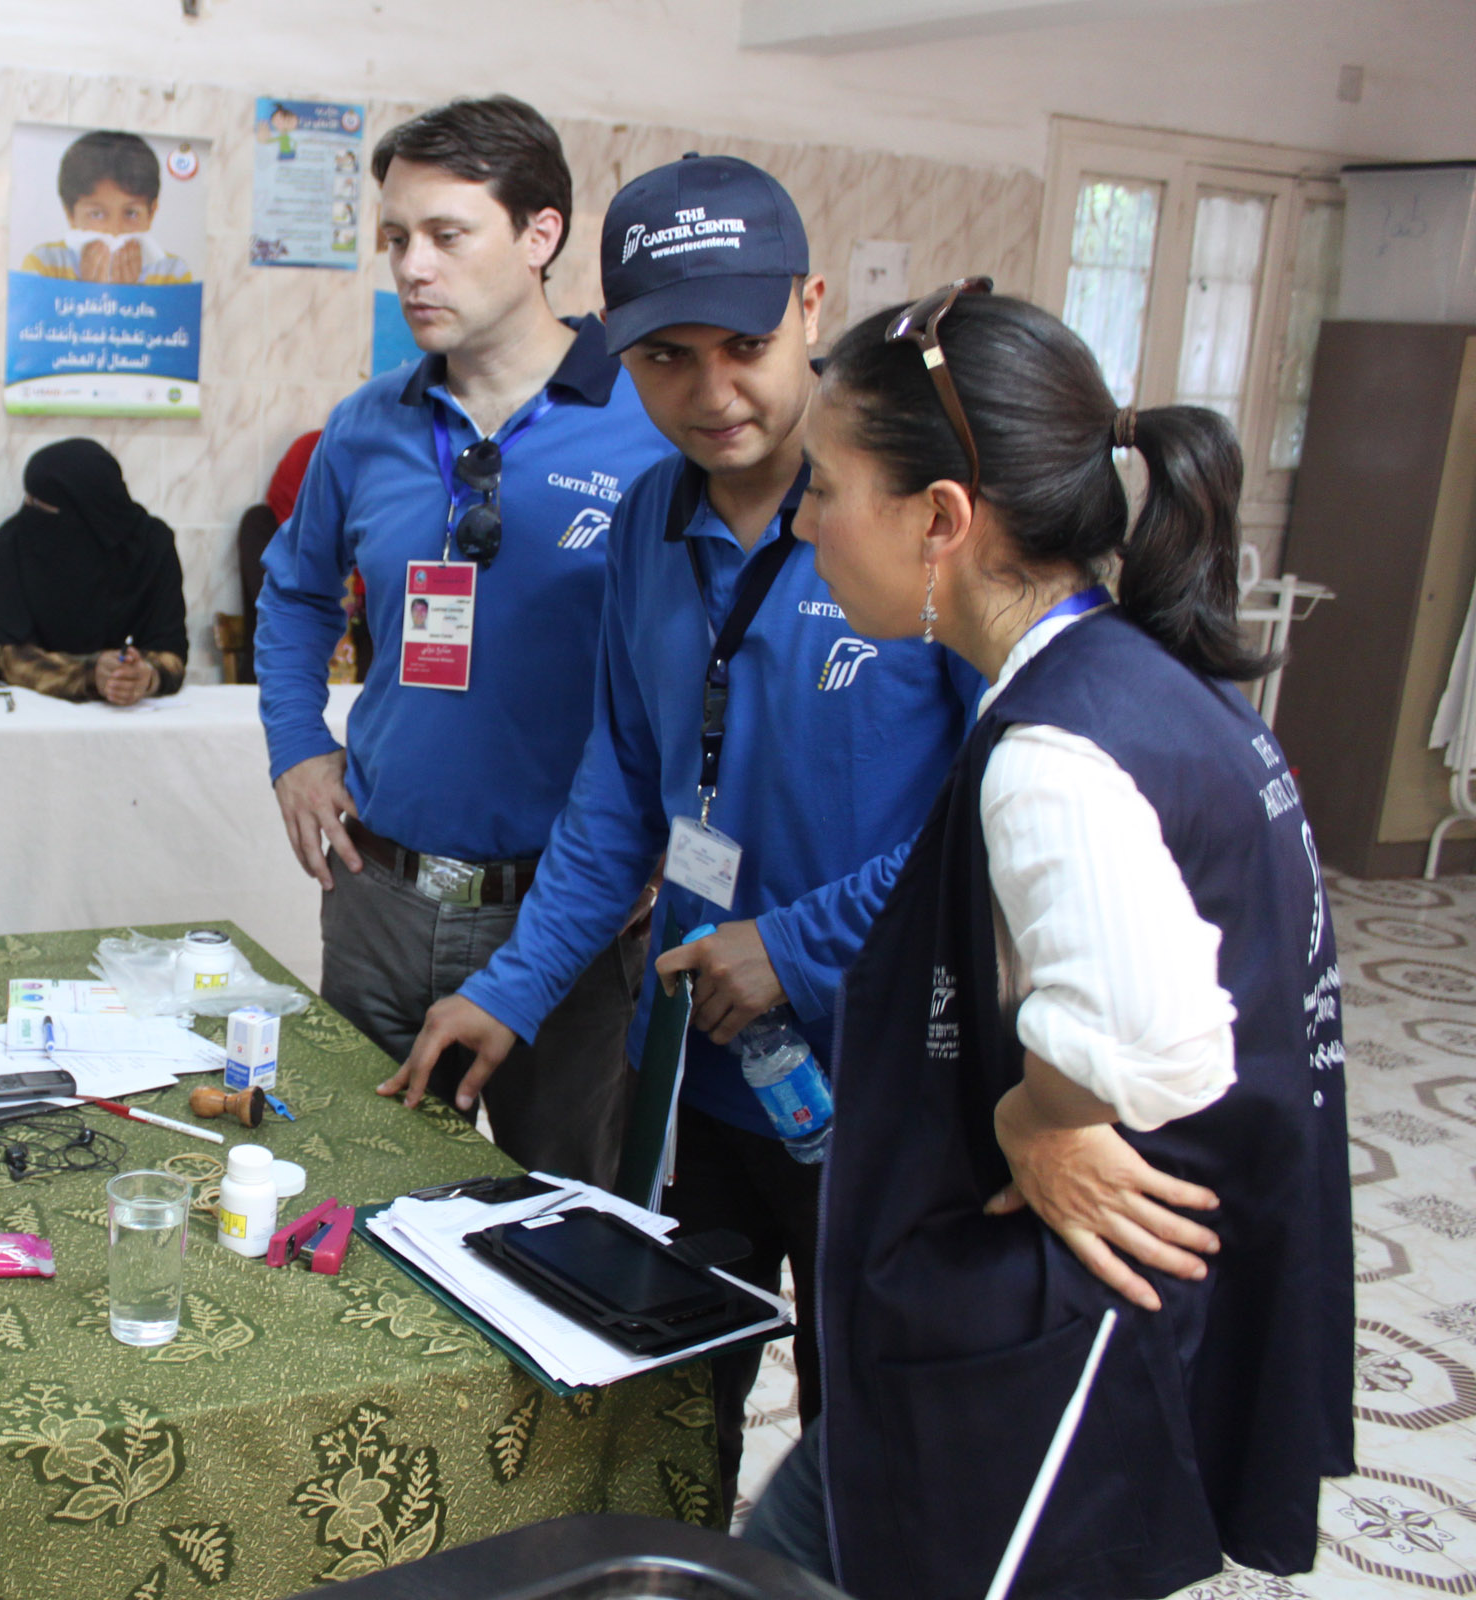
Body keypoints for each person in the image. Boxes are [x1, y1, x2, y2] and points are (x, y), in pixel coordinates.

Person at [739, 286, 1351, 1597]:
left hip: (1046, 1345)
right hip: (1045, 1327)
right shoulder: (1140, 677)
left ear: (942, 520)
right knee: (793, 1545)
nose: (801, 525)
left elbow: (1165, 1041)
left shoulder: (1055, 756)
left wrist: (1042, 1117)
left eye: (826, 488)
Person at [393, 157, 981, 1510]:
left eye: (747, 347)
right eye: (667, 358)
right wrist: (515, 988)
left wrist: (802, 944)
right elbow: (622, 789)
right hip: (707, 1071)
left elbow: (1001, 806)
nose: (715, 396)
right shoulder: (653, 519)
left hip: (888, 1080)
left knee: (869, 1434)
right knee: (673, 1406)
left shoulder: (919, 517)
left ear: (812, 305)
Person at [254, 96, 672, 1185]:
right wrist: (296, 743)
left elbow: (701, 653)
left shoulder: (649, 425)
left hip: (565, 916)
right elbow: (295, 596)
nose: (410, 268)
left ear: (541, 236)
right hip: (380, 896)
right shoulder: (365, 426)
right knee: (360, 1195)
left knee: (561, 1230)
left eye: (447, 234)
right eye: (395, 238)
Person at [0, 438, 188, 705]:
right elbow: (14, 662)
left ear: (86, 515)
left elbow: (171, 653)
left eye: (38, 503)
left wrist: (143, 676)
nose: (27, 509)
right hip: (33, 711)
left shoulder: (152, 546)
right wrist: (89, 674)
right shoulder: (15, 542)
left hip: (132, 716)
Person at [19, 130, 194, 285]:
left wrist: (130, 294)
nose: (114, 231)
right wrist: (89, 290)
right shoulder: (43, 265)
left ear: (151, 213)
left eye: (131, 213)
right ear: (70, 214)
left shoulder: (173, 274)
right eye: (96, 214)